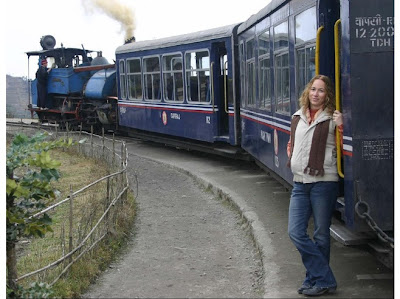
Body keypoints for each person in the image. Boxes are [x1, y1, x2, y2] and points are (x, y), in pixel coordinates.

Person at [286, 74, 343, 297]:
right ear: (307, 92)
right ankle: (324, 278)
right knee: (295, 232)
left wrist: (342, 126)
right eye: (313, 89)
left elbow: (346, 145)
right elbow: (293, 142)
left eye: (320, 90)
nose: (316, 94)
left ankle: (315, 280)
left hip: (323, 182)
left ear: (327, 95)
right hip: (300, 182)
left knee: (320, 234)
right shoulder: (297, 117)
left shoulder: (332, 118)